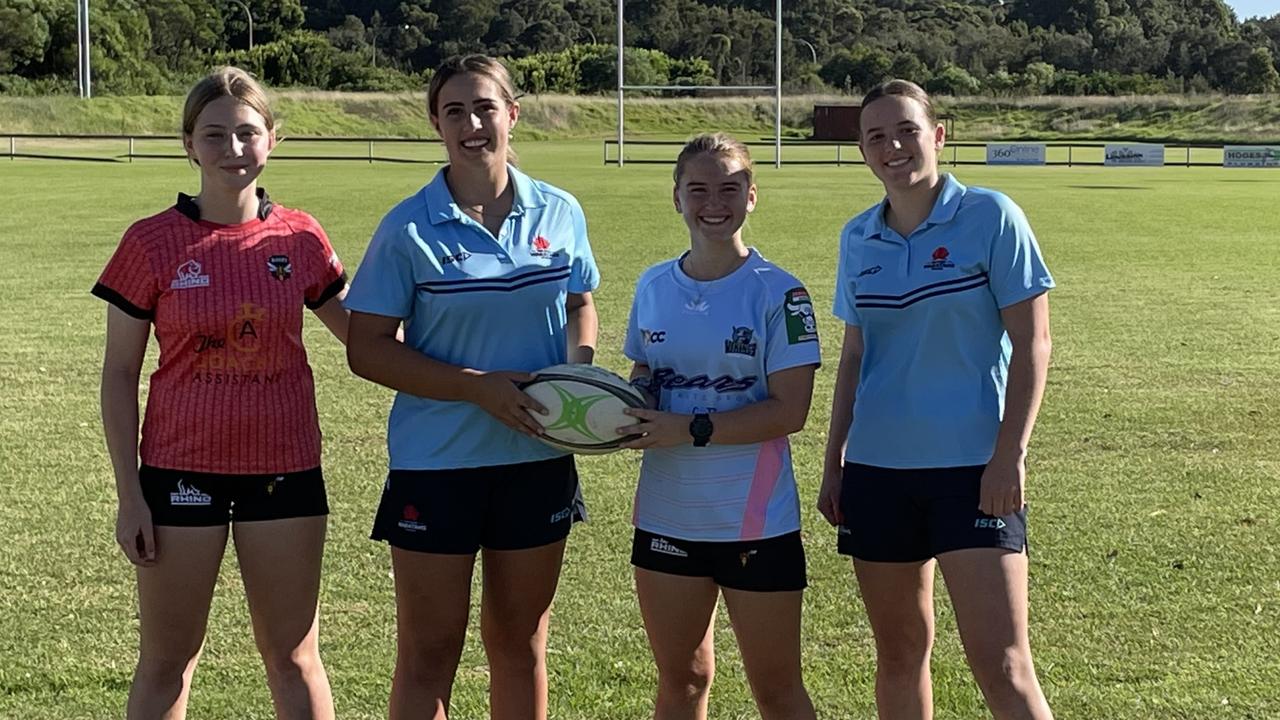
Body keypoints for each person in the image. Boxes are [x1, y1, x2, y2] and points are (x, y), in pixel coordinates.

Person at [343, 54, 599, 720]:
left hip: (538, 459)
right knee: (430, 653)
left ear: (512, 113)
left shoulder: (560, 210)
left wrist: (579, 372)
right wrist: (474, 387)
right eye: (453, 111)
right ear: (436, 124)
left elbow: (579, 301)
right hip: (438, 465)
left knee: (521, 645)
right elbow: (367, 349)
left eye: (484, 107)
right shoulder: (407, 227)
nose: (471, 123)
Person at [95, 66, 348, 720]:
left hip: (285, 470)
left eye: (246, 133)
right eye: (215, 135)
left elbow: (364, 335)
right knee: (167, 663)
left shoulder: (300, 236)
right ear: (188, 144)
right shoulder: (149, 242)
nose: (232, 149)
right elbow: (119, 373)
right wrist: (130, 495)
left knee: (294, 658)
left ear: (272, 139)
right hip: (180, 475)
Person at [819, 79, 1055, 720]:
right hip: (877, 472)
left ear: (938, 136)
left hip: (974, 473)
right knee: (899, 656)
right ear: (863, 151)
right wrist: (833, 460)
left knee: (1003, 663)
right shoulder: (857, 237)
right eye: (876, 137)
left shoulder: (992, 216)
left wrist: (1011, 455)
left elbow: (1033, 344)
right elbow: (854, 357)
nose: (892, 146)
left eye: (906, 131)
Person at [619, 133, 820, 720]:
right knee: (681, 680)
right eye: (698, 188)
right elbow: (644, 372)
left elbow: (791, 410)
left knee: (777, 690)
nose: (714, 202)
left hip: (753, 521)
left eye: (729, 188)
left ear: (751, 196)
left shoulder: (782, 293)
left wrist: (688, 427)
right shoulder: (654, 285)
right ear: (676, 197)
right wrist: (621, 407)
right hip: (666, 515)